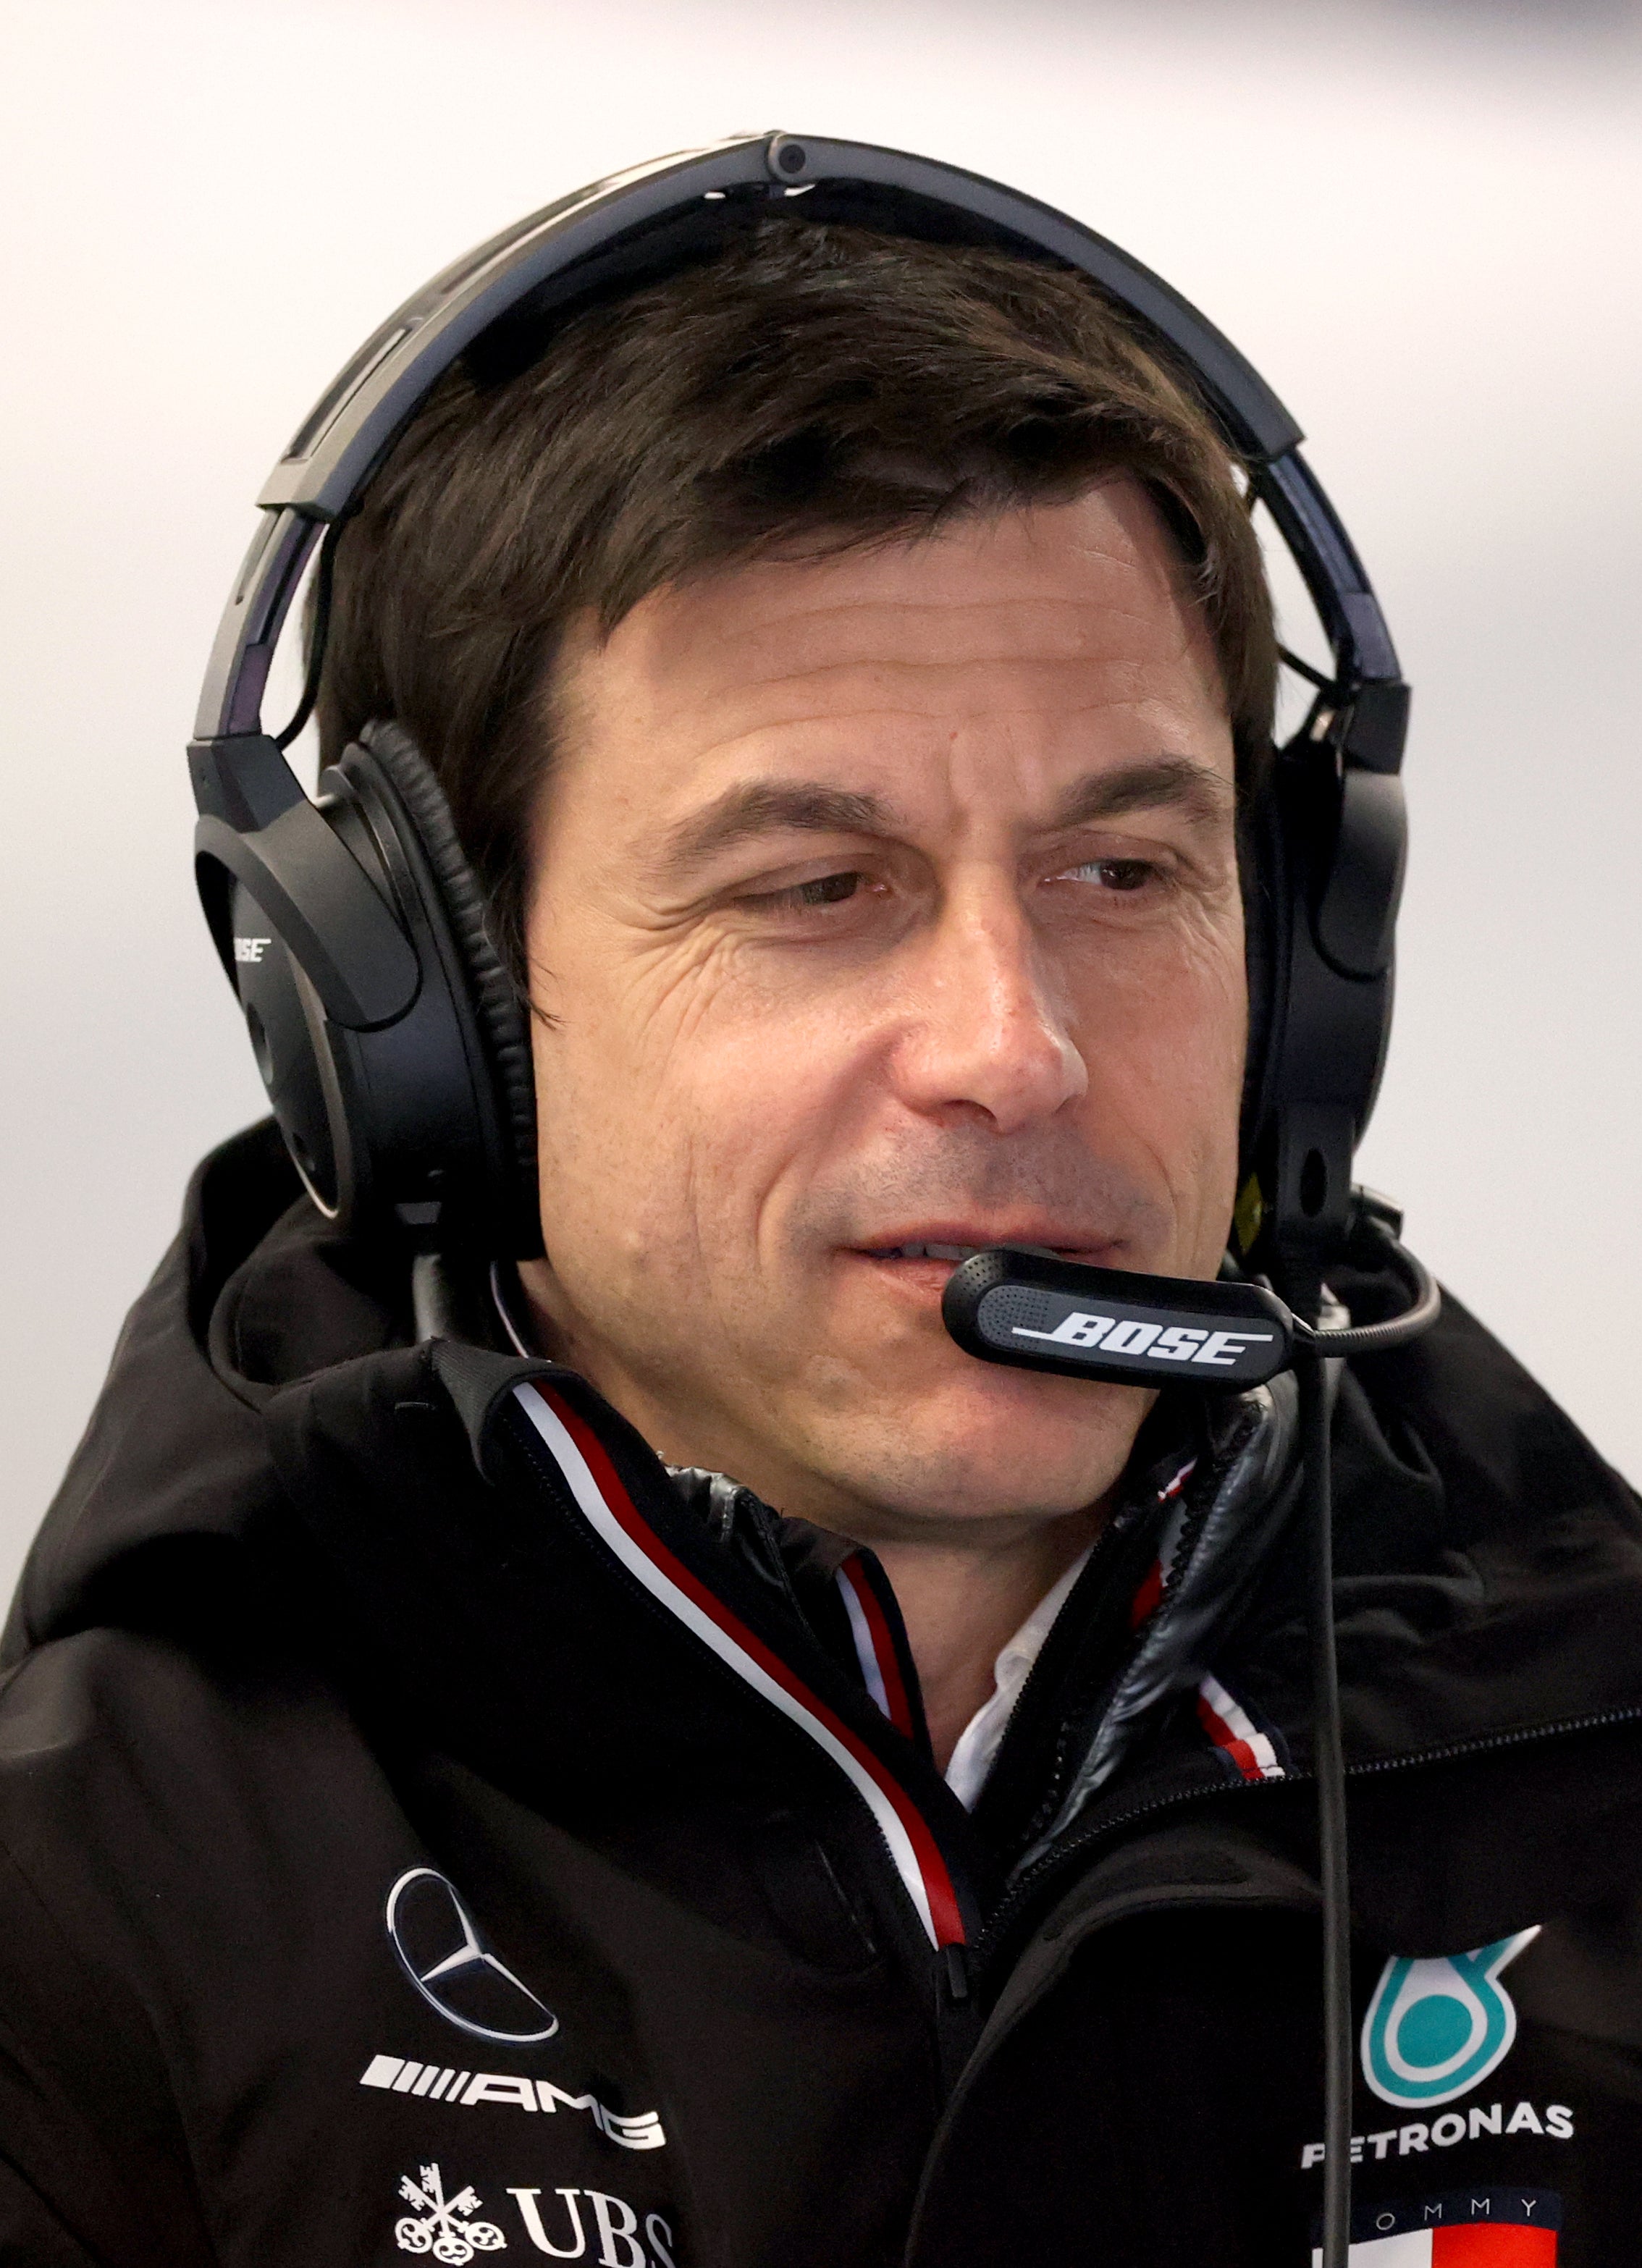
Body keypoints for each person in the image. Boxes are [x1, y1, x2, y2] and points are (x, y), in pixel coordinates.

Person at [3, 143, 1641, 2268]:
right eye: (815, 889)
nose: (1015, 1047)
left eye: (1122, 871)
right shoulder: (82, 1915)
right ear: (421, 1025)